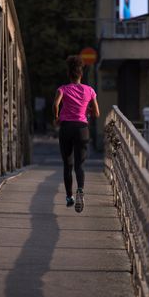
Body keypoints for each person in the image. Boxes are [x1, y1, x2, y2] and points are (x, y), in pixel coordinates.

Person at [52, 55, 100, 213]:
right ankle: (80, 190)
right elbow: (97, 113)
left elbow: (55, 104)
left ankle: (69, 197)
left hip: (66, 128)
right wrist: (87, 109)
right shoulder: (90, 90)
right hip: (82, 128)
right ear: (81, 74)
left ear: (69, 74)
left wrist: (57, 117)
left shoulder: (63, 89)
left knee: (68, 164)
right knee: (80, 164)